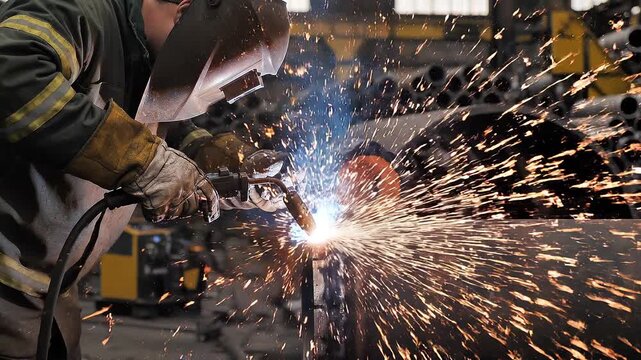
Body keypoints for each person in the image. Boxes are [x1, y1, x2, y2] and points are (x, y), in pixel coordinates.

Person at [0, 0, 290, 358]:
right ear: (185, 12)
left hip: (51, 295)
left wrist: (209, 155)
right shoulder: (81, 13)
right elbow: (12, 74)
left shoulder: (146, 57)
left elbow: (141, 121)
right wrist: (145, 162)